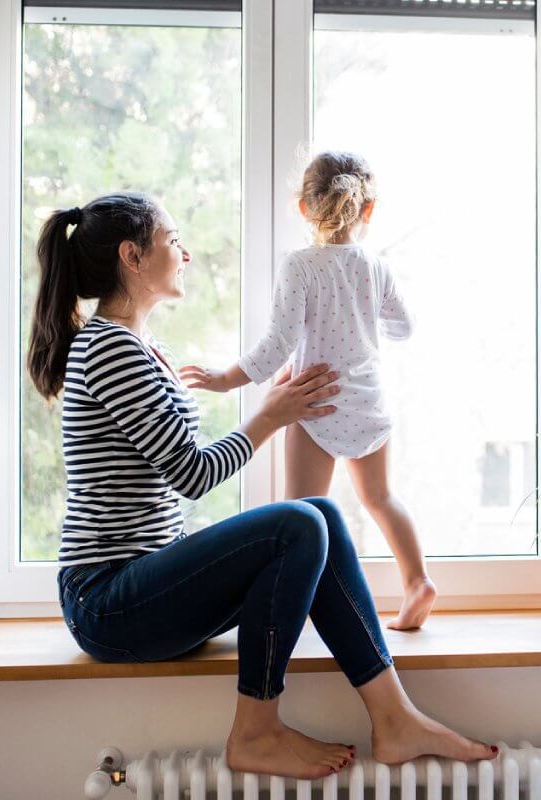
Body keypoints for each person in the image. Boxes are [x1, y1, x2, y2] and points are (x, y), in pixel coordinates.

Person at [27, 191, 497, 780]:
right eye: (173, 241)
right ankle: (256, 729)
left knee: (319, 513)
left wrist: (273, 405)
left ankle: (394, 717)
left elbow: (174, 458)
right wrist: (270, 416)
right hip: (107, 601)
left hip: (144, 583)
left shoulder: (142, 347)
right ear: (132, 256)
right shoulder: (110, 349)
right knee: (298, 522)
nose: (186, 253)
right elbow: (192, 473)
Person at [180, 151, 435, 631]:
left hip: (315, 401)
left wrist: (222, 379)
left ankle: (303, 608)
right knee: (380, 498)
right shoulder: (374, 266)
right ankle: (418, 581)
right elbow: (404, 326)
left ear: (303, 207)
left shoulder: (299, 267)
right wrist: (362, 317)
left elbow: (276, 347)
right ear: (368, 210)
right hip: (368, 401)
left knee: (301, 516)